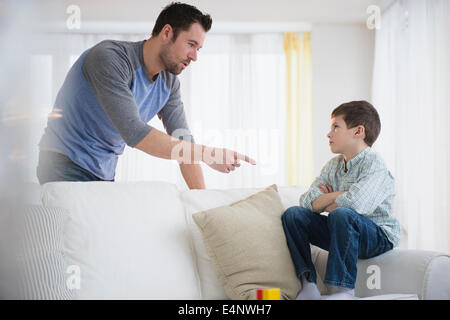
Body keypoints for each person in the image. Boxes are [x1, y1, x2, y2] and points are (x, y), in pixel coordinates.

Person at [37, 2, 255, 188]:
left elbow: (183, 140)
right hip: (63, 163)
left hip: (104, 173)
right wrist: (208, 154)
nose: (195, 56)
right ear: (167, 33)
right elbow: (134, 131)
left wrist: (204, 205)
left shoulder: (169, 84)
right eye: (191, 44)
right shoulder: (110, 59)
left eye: (199, 49)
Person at [282, 100, 401, 300]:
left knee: (342, 213)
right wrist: (342, 194)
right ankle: (308, 284)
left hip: (377, 236)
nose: (329, 134)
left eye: (336, 127)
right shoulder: (332, 166)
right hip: (343, 231)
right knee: (294, 215)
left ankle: (343, 291)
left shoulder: (374, 164)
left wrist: (328, 199)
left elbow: (356, 205)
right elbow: (307, 201)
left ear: (358, 131)